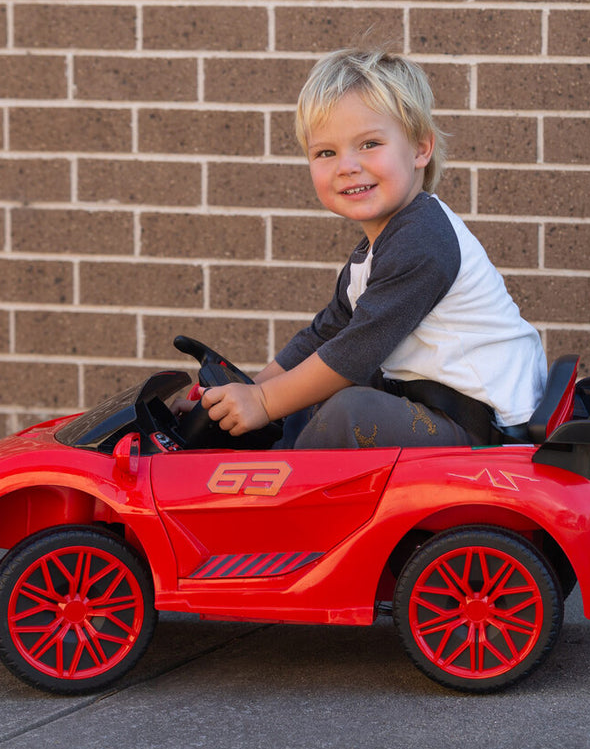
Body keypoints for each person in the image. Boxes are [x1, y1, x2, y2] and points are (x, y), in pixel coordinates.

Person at [186, 47, 546, 449]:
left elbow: (355, 353)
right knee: (310, 392)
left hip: (485, 431)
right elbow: (326, 335)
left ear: (420, 149)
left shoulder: (423, 238)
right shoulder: (376, 247)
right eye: (326, 152)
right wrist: (243, 393)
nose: (347, 166)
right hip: (431, 409)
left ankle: (275, 504)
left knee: (349, 410)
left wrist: (265, 402)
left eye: (369, 143)